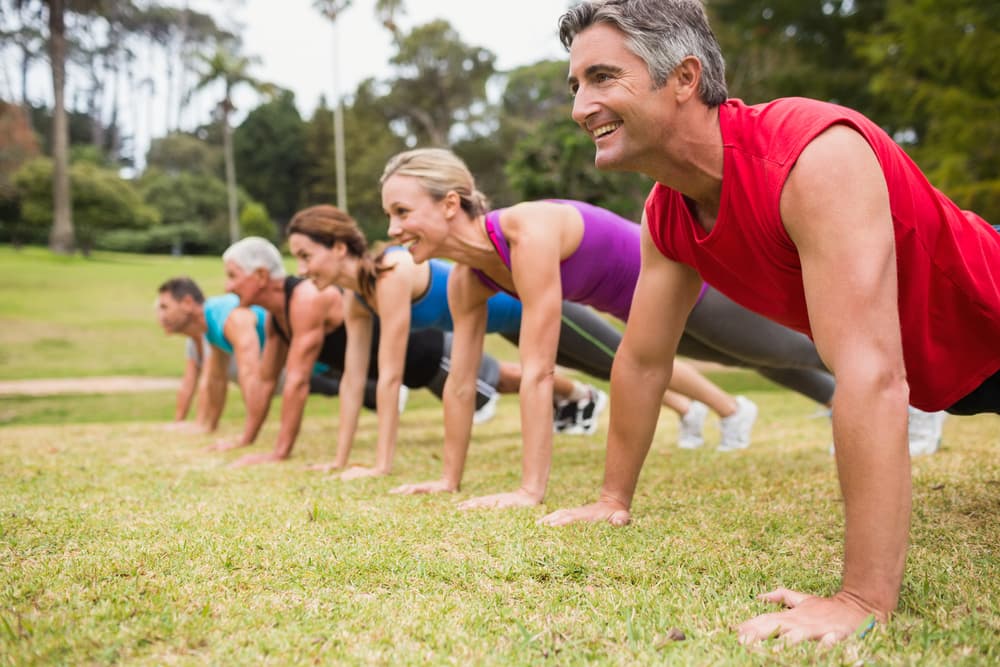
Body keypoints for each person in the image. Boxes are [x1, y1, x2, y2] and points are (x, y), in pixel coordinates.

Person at [548, 0, 1000, 646]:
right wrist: (611, 498)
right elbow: (645, 359)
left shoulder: (813, 156)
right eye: (575, 85)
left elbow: (871, 376)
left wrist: (860, 598)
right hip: (956, 373)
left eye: (601, 78)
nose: (579, 107)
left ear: (683, 78)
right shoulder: (668, 215)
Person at [378, 148, 872, 508]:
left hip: (686, 280)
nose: (392, 230)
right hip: (641, 309)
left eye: (402, 212)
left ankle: (904, 387)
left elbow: (539, 373)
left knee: (793, 347)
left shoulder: (524, 233)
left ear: (449, 204)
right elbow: (463, 385)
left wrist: (530, 491)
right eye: (389, 216)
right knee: (756, 357)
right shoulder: (468, 280)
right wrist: (448, 479)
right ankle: (885, 391)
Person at [286, 206, 618, 478]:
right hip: (502, 325)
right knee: (616, 369)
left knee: (622, 364)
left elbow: (390, 377)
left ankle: (673, 404)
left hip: (529, 301)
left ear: (339, 248)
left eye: (305, 256)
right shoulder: (355, 298)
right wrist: (340, 460)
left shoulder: (391, 273)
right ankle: (651, 401)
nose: (300, 269)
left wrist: (380, 467)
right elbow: (353, 381)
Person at [219, 237, 505, 473]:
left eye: (233, 276)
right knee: (504, 379)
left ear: (260, 276)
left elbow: (296, 382)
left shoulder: (305, 300)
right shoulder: (275, 319)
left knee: (503, 379)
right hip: (387, 370)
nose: (227, 287)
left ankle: (552, 389)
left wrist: (279, 453)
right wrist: (246, 440)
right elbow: (268, 382)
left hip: (423, 352)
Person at [156, 276, 365, 434]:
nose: (160, 315)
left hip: (322, 350)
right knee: (351, 385)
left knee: (363, 380)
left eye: (165, 307)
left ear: (187, 303)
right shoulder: (209, 328)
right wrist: (207, 426)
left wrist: (250, 431)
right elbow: (215, 380)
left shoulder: (226, 315)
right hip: (312, 364)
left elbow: (250, 372)